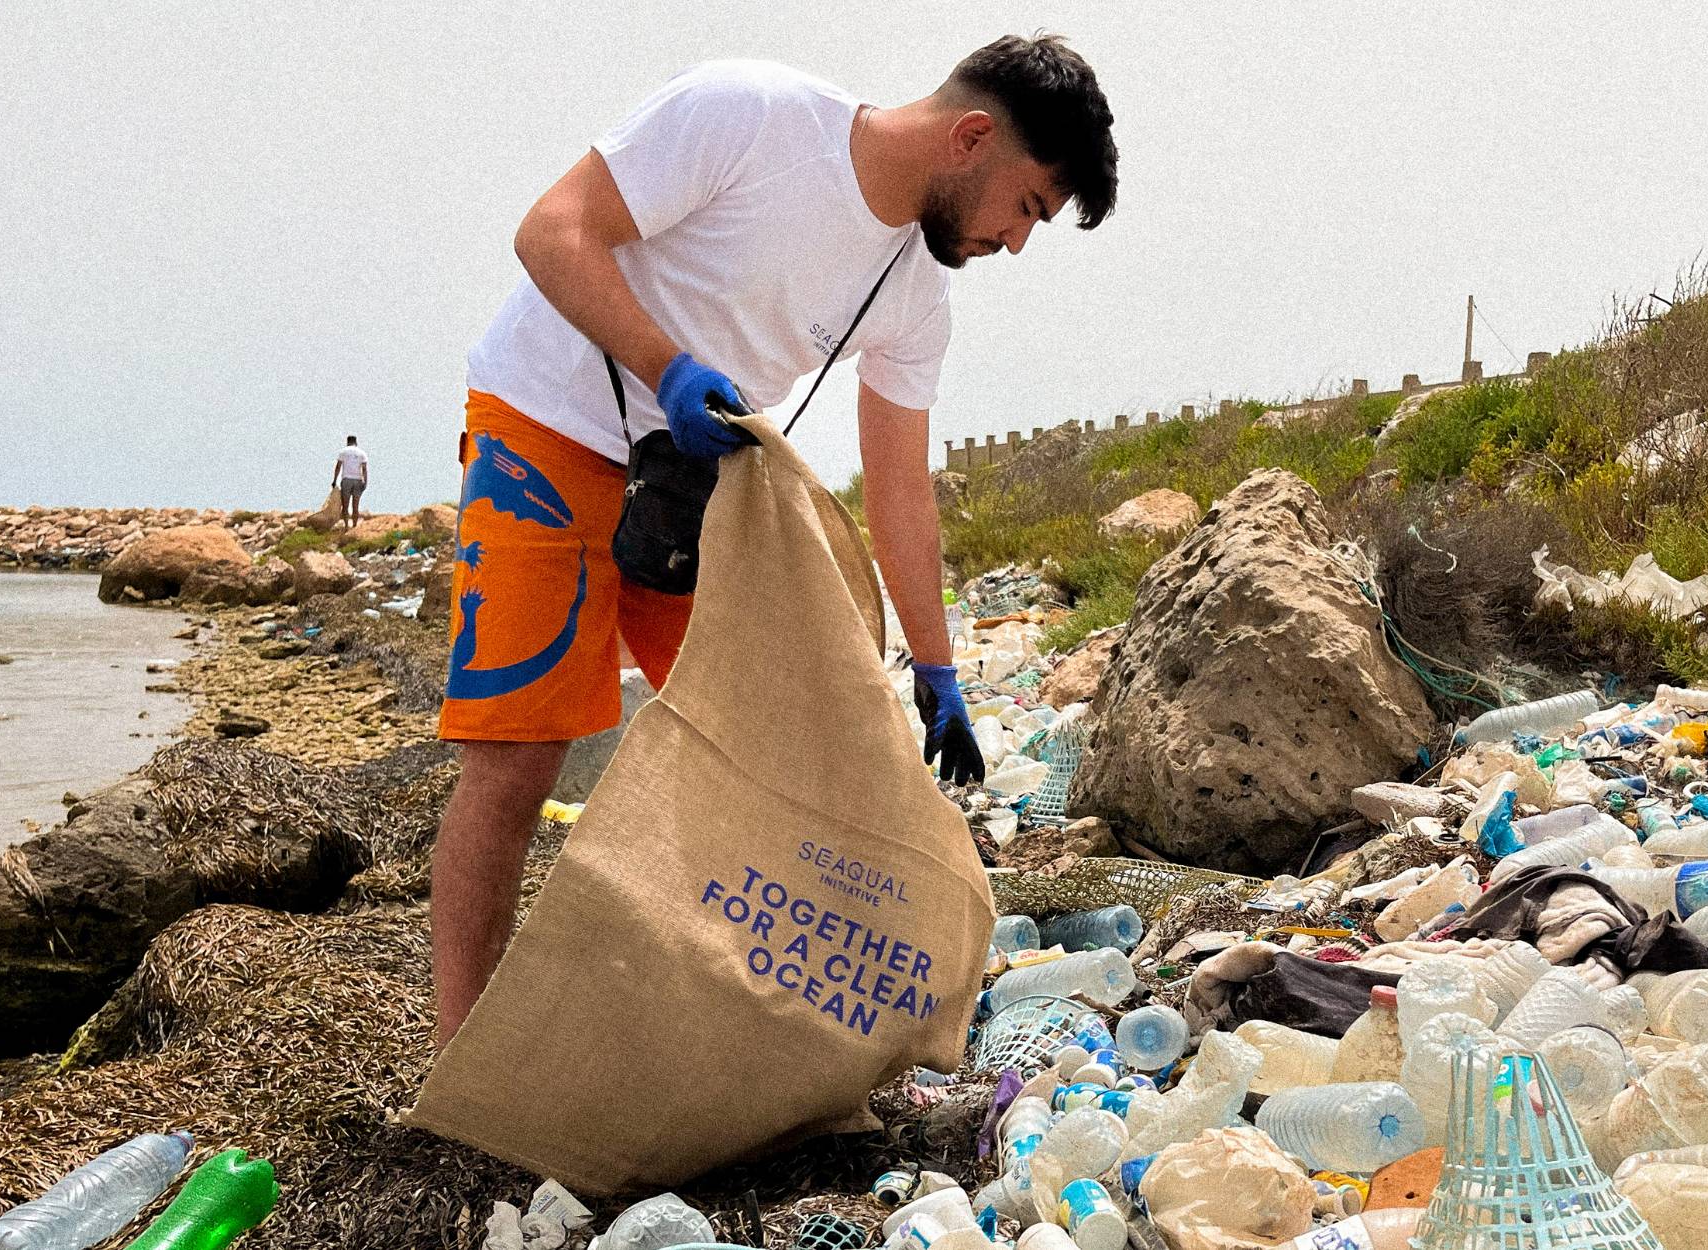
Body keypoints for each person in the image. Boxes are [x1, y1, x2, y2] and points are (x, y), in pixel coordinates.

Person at [430, 36, 1119, 1043]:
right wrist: (668, 367)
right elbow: (552, 233)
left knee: (770, 751)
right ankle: (461, 1058)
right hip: (548, 421)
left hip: (694, 484)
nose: (1015, 242)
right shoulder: (746, 114)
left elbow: (898, 489)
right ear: (971, 137)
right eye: (1026, 206)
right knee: (519, 757)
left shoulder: (916, 295)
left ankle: (737, 1030)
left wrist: (938, 670)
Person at [332, 435, 369, 528]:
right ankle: (355, 525)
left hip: (346, 480)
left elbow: (338, 467)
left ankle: (346, 526)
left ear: (347, 442)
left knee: (345, 505)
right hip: (358, 480)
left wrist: (335, 480)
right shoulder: (362, 453)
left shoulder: (343, 452)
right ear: (356, 442)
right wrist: (365, 481)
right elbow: (364, 469)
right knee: (355, 505)